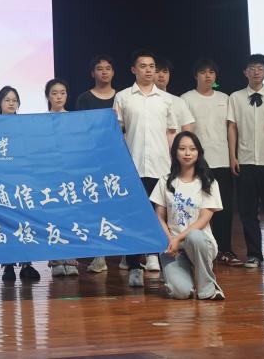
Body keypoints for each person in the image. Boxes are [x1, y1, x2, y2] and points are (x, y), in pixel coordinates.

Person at [101, 50, 178, 286]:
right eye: (143, 66)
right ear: (134, 70)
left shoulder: (166, 99)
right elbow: (116, 132)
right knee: (134, 217)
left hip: (161, 166)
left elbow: (171, 132)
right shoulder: (124, 97)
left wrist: (174, 163)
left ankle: (159, 259)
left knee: (160, 216)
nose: (148, 70)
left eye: (152, 66)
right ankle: (134, 265)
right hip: (132, 166)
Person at [150, 131, 225, 301]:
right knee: (181, 293)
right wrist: (171, 240)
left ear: (199, 152)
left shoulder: (209, 182)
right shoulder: (165, 181)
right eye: (182, 148)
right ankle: (185, 275)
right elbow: (159, 217)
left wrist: (178, 238)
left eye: (192, 149)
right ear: (175, 152)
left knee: (194, 236)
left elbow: (203, 219)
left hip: (200, 244)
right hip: (173, 248)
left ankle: (208, 289)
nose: (187, 153)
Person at [181, 59, 241, 266]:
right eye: (203, 72)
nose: (208, 76)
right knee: (195, 208)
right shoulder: (186, 99)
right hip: (197, 163)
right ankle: (194, 250)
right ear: (195, 75)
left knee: (223, 208)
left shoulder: (225, 98)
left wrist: (233, 156)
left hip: (222, 160)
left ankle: (225, 250)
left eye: (211, 72)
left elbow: (231, 129)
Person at [227, 54, 264, 269]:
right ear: (245, 72)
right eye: (252, 68)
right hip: (245, 161)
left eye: (260, 68)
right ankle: (254, 254)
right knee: (247, 211)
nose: (256, 71)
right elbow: (232, 127)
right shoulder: (236, 97)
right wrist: (233, 156)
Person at [0, 86, 42, 283]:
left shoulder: (25, 125)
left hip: (22, 180)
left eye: (14, 100)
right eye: (7, 99)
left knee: (24, 222)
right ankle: (8, 266)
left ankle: (26, 263)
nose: (11, 103)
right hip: (1, 180)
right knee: (6, 223)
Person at [44, 79, 79, 278]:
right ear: (48, 96)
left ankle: (71, 258)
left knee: (71, 215)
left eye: (62, 92)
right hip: (49, 173)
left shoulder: (74, 119)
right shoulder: (40, 120)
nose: (59, 96)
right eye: (54, 93)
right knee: (53, 216)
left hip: (70, 172)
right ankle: (56, 259)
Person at [154, 56, 195, 133]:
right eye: (157, 71)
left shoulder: (178, 101)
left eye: (165, 72)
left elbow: (187, 129)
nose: (161, 75)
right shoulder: (142, 99)